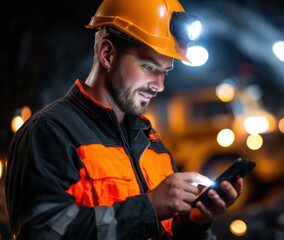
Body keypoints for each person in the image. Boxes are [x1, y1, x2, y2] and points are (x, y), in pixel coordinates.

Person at [5, 0, 244, 239]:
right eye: (149, 67)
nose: (159, 85)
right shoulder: (51, 133)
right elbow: (41, 233)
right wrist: (149, 208)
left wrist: (193, 223)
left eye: (165, 72)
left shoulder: (151, 143)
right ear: (107, 54)